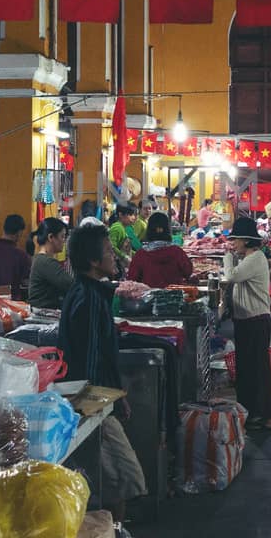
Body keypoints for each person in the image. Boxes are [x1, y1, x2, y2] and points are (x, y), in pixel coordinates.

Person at [57, 222, 149, 516]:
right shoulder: (89, 300)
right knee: (121, 477)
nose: (116, 257)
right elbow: (92, 360)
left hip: (92, 399)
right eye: (109, 252)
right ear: (94, 262)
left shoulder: (86, 292)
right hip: (91, 402)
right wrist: (105, 404)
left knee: (112, 481)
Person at [222, 216, 271, 430]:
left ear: (246, 240)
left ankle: (265, 416)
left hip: (255, 321)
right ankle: (251, 413)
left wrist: (227, 258)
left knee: (258, 369)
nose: (232, 243)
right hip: (247, 320)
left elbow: (232, 277)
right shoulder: (249, 258)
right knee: (246, 369)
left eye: (235, 239)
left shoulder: (255, 258)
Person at [127, 212, 194, 288]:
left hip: (148, 298)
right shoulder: (177, 252)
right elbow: (188, 272)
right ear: (168, 230)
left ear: (149, 230)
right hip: (175, 297)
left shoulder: (141, 254)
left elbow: (132, 279)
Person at [28, 218, 75, 309]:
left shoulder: (41, 259)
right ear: (51, 237)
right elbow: (71, 285)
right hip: (43, 316)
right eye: (62, 236)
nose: (64, 241)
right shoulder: (45, 262)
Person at [109, 204, 142, 270]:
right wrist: (124, 257)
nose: (134, 217)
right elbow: (111, 247)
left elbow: (127, 250)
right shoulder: (117, 227)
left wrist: (138, 254)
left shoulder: (123, 228)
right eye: (130, 215)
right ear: (120, 214)